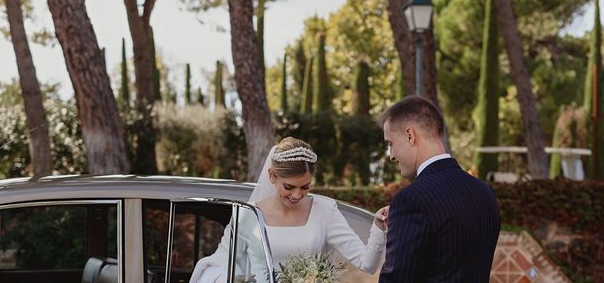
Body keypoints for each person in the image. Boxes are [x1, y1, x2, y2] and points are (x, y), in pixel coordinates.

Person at [190, 137, 388, 282]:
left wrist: (378, 227)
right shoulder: (247, 215)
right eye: (289, 187)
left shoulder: (325, 211)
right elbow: (217, 265)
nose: (296, 195)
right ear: (272, 176)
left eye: (305, 187)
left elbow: (367, 264)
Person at [379, 96, 500, 282]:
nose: (391, 155)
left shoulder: (411, 200)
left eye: (390, 144)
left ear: (410, 135)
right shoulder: (484, 193)